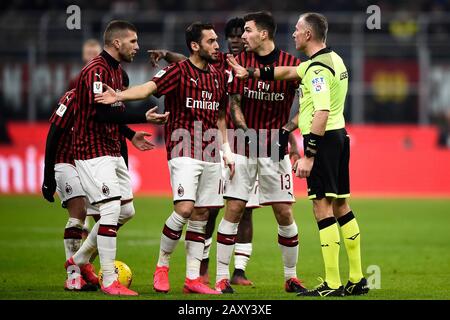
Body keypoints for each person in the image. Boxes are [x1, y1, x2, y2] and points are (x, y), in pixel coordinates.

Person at [228, 12, 369, 297]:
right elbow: (288, 72)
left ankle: (332, 283)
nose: (292, 34)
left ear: (307, 35)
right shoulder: (332, 60)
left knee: (322, 207)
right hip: (340, 136)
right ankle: (357, 278)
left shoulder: (317, 70)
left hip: (324, 140)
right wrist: (252, 72)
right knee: (342, 206)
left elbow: (321, 111)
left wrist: (309, 155)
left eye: (296, 30)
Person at [95, 22, 232, 295]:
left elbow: (219, 115)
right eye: (211, 41)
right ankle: (162, 266)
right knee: (184, 209)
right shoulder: (178, 71)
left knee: (202, 214)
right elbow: (148, 88)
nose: (217, 45)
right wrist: (119, 95)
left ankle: (193, 279)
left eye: (217, 40)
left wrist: (226, 150)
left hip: (210, 151)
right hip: (182, 148)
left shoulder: (218, 76)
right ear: (195, 46)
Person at [63, 20, 169, 296]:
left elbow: (113, 115)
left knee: (126, 210)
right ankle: (109, 279)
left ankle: (79, 259)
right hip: (91, 150)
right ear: (117, 43)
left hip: (112, 148)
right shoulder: (95, 72)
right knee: (110, 209)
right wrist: (140, 117)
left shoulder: (119, 75)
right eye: (133, 41)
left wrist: (129, 133)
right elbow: (100, 114)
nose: (138, 46)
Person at [214, 11, 305, 294]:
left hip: (275, 148)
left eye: (248, 31)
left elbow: (310, 104)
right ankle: (221, 277)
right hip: (244, 146)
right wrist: (246, 132)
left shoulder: (292, 65)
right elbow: (234, 103)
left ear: (263, 34)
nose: (242, 37)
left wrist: (287, 129)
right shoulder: (239, 63)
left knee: (284, 212)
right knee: (234, 208)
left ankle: (291, 277)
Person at [41, 82, 153, 291]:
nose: (117, 89)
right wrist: (48, 176)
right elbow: (53, 134)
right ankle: (73, 276)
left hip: (95, 159)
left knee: (112, 216)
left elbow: (117, 135)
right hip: (67, 160)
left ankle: (82, 262)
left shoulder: (113, 102)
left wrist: (123, 170)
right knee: (79, 212)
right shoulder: (73, 98)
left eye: (121, 87)